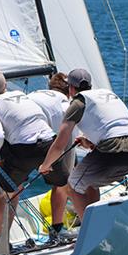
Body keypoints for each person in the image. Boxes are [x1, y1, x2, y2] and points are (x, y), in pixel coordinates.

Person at [0, 68, 72, 250]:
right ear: (6, 84)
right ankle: (57, 230)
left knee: (8, 192)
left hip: (22, 151)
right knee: (61, 184)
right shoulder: (23, 96)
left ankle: (1, 242)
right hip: (48, 144)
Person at [39, 68, 128, 220]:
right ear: (90, 85)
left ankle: (90, 229)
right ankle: (95, 222)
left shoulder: (78, 103)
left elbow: (60, 143)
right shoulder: (107, 94)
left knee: (72, 185)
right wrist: (88, 142)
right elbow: (112, 127)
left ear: (71, 88)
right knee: (90, 182)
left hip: (111, 151)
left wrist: (45, 165)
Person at [27, 72, 75, 238]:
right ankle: (57, 229)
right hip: (43, 141)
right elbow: (69, 134)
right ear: (69, 90)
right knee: (62, 183)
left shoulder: (33, 95)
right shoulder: (65, 103)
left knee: (12, 187)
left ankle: (1, 236)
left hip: (17, 142)